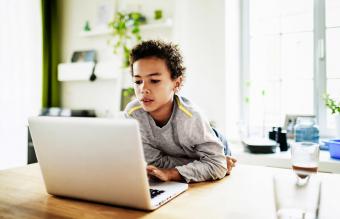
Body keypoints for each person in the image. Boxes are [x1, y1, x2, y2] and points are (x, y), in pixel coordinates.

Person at [124, 40, 236, 183]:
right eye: (138, 81)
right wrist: (200, 165)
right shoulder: (133, 114)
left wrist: (173, 173)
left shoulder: (191, 117)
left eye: (154, 80)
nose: (143, 89)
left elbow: (216, 164)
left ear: (176, 83)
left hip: (211, 143)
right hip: (181, 154)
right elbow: (154, 162)